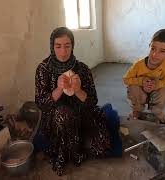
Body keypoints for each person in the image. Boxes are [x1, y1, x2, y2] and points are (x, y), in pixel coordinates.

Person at [35, 27, 116, 176]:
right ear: (52, 47)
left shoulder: (82, 69)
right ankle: (68, 149)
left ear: (73, 46)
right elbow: (41, 103)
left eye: (67, 46)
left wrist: (78, 90)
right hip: (57, 120)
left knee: (102, 147)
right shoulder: (43, 69)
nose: (63, 52)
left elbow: (92, 102)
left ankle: (77, 143)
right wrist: (59, 89)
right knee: (63, 114)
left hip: (81, 115)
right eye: (58, 46)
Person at [123, 29, 165, 123]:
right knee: (133, 87)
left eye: (162, 51)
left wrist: (156, 84)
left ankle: (157, 110)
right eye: (153, 48)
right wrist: (141, 81)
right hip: (140, 92)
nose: (154, 54)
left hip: (157, 91)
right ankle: (137, 111)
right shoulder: (138, 65)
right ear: (150, 45)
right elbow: (126, 79)